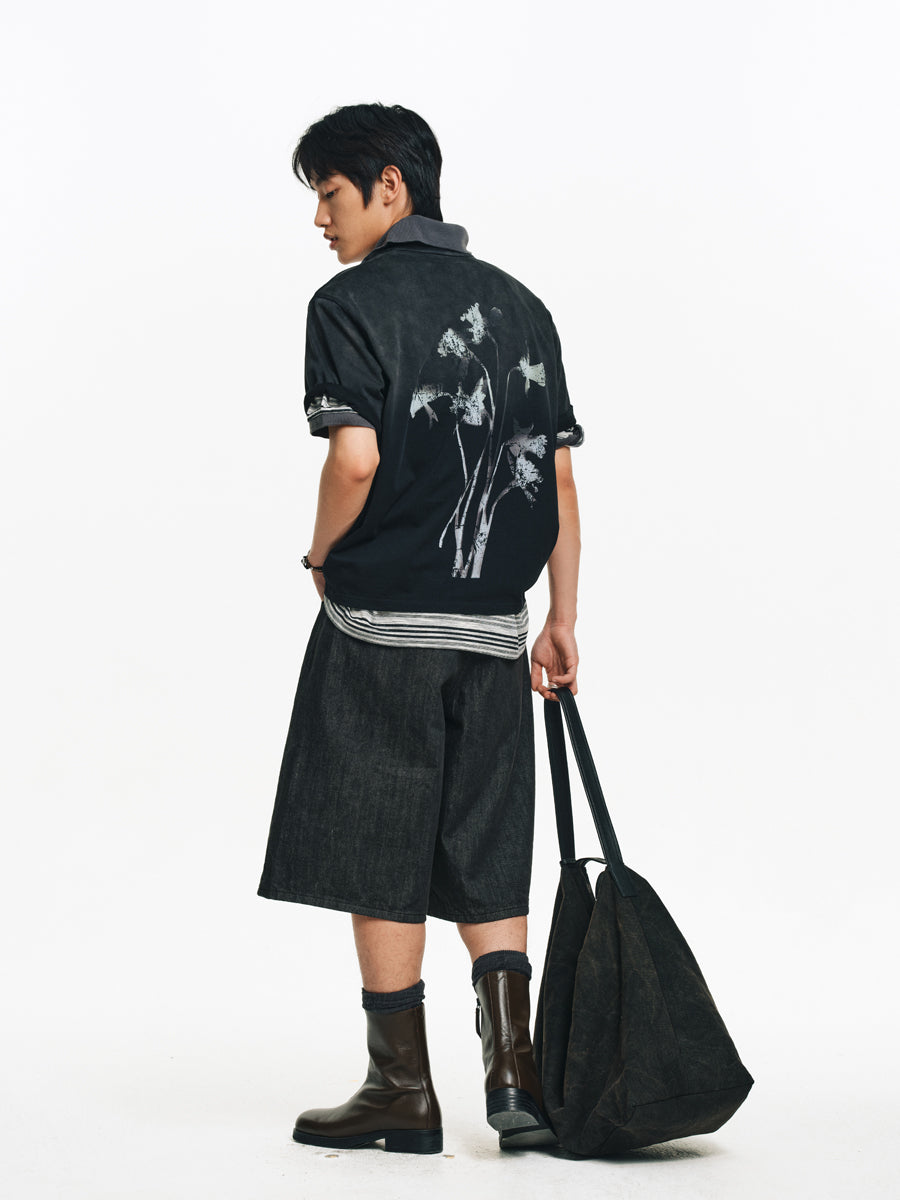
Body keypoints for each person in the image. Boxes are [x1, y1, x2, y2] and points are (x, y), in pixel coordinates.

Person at [257, 102, 583, 1155]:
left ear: (389, 187)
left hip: (380, 628)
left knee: (379, 842)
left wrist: (319, 553)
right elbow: (558, 482)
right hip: (495, 631)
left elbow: (353, 460)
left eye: (330, 193)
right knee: (488, 837)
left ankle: (400, 1089)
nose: (320, 218)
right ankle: (515, 1076)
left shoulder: (347, 305)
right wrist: (561, 619)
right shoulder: (522, 306)